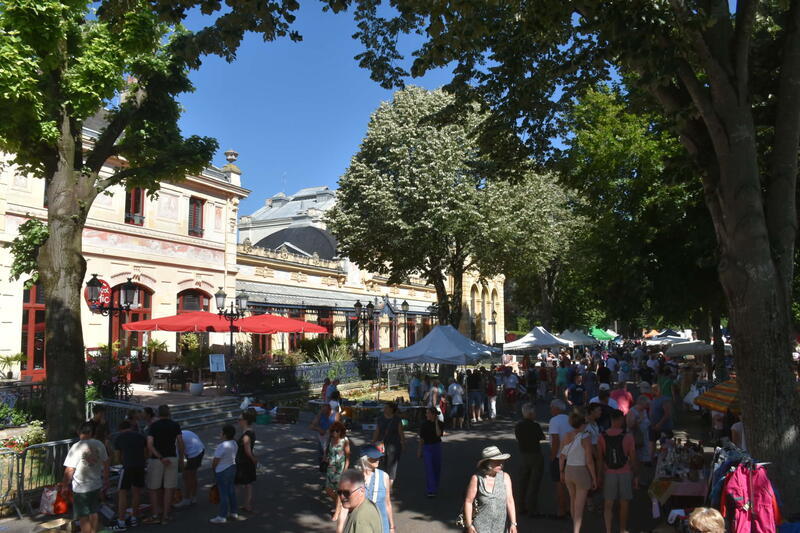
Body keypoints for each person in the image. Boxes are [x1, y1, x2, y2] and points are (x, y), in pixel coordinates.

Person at [62, 422, 110, 533]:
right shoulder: (99, 444)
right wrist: (106, 479)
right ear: (92, 432)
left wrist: (64, 485)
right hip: (96, 484)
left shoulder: (77, 447)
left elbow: (69, 469)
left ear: (79, 432)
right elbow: (106, 462)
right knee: (94, 512)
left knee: (83, 516)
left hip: (81, 487)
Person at [337, 445, 394, 533]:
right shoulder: (353, 479)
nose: (378, 460)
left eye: (379, 458)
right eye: (374, 458)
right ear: (364, 459)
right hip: (361, 525)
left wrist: (392, 527)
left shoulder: (384, 477)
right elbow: (345, 507)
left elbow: (387, 503)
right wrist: (339, 530)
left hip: (382, 526)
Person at [144, 405, 184, 525]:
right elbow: (180, 443)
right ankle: (166, 515)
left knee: (153, 488)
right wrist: (181, 458)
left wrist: (159, 456)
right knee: (169, 488)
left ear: (158, 414)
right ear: (169, 413)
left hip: (157, 459)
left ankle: (156, 514)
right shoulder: (175, 425)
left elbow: (150, 444)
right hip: (172, 457)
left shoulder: (154, 426)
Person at [598, 410, 637, 533]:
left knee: (608, 504)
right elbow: (633, 458)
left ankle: (608, 530)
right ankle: (622, 529)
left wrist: (599, 475)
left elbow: (600, 458)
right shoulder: (628, 436)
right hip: (624, 472)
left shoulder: (602, 436)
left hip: (609, 472)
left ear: (611, 419)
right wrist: (635, 475)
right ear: (621, 420)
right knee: (624, 503)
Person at [463, 446, 518, 533]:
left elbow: (510, 501)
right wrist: (469, 525)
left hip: (501, 527)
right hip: (480, 527)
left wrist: (513, 524)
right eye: (497, 461)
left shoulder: (505, 477)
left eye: (501, 461)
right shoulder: (477, 479)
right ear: (487, 463)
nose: (501, 464)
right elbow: (468, 502)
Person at [559, 409, 597, 533]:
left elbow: (562, 456)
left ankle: (574, 526)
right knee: (579, 506)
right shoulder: (586, 438)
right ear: (582, 424)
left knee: (572, 499)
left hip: (569, 470)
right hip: (581, 471)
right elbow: (589, 461)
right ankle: (576, 530)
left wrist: (561, 471)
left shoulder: (567, 435)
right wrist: (594, 477)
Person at [111, 421, 147, 530]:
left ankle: (121, 521)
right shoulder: (140, 436)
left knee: (122, 492)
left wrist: (122, 462)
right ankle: (134, 518)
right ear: (130, 427)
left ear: (120, 429)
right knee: (136, 492)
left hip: (127, 466)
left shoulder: (119, 438)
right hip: (140, 465)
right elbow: (146, 452)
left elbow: (117, 457)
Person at [209, 424, 245, 524]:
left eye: (221, 432)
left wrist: (214, 469)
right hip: (232, 468)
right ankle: (233, 512)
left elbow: (215, 461)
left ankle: (222, 516)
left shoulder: (222, 446)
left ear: (225, 434)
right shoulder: (234, 443)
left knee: (223, 493)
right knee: (231, 491)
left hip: (222, 470)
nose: (220, 433)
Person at [515, 403, 545, 518]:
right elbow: (542, 437)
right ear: (531, 413)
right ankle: (532, 508)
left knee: (523, 481)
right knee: (534, 482)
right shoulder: (535, 425)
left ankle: (521, 506)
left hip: (523, 454)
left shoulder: (518, 426)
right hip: (535, 454)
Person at [548, 399, 571, 519]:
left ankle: (561, 510)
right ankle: (569, 508)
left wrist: (552, 456)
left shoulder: (554, 420)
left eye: (551, 408)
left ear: (556, 408)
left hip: (559, 457)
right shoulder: (569, 419)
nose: (551, 410)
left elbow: (555, 440)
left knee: (559, 484)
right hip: (571, 455)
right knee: (569, 484)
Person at [372, 403, 404, 483]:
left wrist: (403, 443)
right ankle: (385, 484)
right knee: (384, 465)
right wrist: (372, 442)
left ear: (391, 410)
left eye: (386, 407)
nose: (384, 409)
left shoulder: (397, 419)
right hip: (382, 445)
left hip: (394, 445)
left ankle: (389, 486)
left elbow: (401, 433)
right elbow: (377, 431)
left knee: (392, 466)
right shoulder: (380, 419)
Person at [326, 421, 351, 521]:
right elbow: (328, 452)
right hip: (330, 468)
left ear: (341, 431)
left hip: (340, 469)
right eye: (333, 431)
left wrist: (345, 469)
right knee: (328, 489)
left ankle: (337, 512)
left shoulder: (345, 440)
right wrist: (325, 458)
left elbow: (348, 456)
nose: (335, 433)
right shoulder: (331, 439)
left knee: (338, 491)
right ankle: (340, 504)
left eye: (337, 431)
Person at [174, 429, 204, 509]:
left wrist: (182, 466)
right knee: (192, 476)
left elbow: (180, 453)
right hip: (199, 449)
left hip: (194, 453)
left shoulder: (174, 439)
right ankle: (193, 497)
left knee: (187, 477)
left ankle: (187, 499)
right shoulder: (180, 433)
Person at [235, 409, 258, 512]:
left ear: (245, 421)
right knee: (247, 484)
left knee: (238, 484)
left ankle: (233, 505)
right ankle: (246, 505)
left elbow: (247, 451)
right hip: (246, 462)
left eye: (239, 419)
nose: (238, 421)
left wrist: (254, 460)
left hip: (243, 462)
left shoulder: (246, 435)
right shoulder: (249, 432)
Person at [626, 395, 652, 464]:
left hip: (644, 437)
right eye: (646, 404)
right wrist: (639, 420)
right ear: (641, 404)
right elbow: (629, 425)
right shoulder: (632, 411)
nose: (648, 406)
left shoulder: (644, 411)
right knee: (635, 454)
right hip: (635, 437)